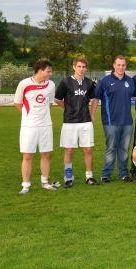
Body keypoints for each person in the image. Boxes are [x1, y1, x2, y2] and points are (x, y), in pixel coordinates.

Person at [14, 59, 59, 194]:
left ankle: (45, 182)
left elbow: (50, 103)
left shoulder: (51, 85)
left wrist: (42, 116)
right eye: (48, 71)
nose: (50, 74)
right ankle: (26, 185)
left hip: (46, 125)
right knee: (28, 155)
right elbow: (17, 103)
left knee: (46, 154)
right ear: (40, 70)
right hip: (29, 126)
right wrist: (29, 115)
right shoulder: (24, 84)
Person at [54, 57, 99, 188]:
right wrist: (68, 108)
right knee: (69, 150)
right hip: (70, 122)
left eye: (84, 67)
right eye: (79, 66)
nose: (81, 69)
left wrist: (92, 114)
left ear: (86, 68)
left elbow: (94, 99)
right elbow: (57, 99)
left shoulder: (89, 83)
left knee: (88, 149)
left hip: (85, 121)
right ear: (74, 67)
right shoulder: (66, 82)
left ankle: (89, 176)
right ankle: (68, 177)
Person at [92, 55, 135, 183]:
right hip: (111, 122)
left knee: (124, 149)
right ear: (114, 65)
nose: (121, 67)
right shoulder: (105, 81)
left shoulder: (130, 81)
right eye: (118, 65)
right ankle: (106, 175)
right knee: (111, 148)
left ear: (125, 66)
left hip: (127, 121)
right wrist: (92, 115)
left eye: (123, 65)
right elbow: (95, 98)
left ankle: (123, 173)